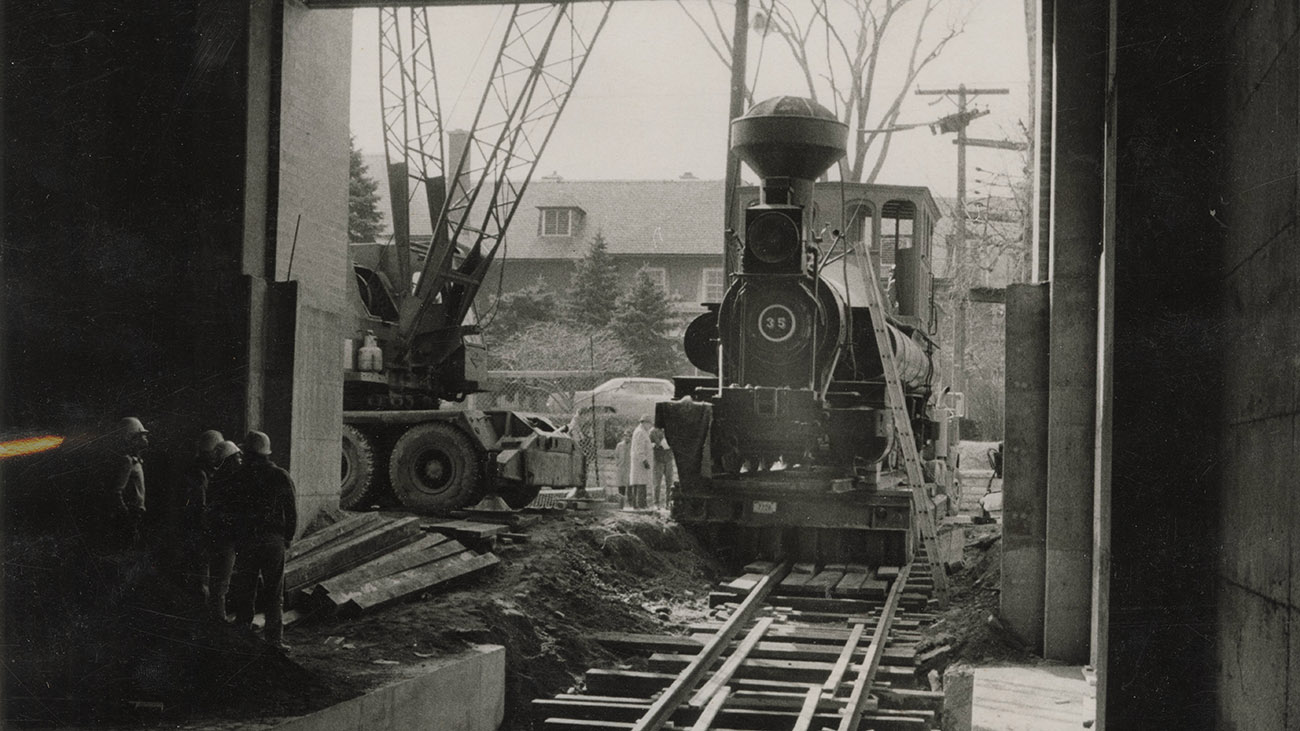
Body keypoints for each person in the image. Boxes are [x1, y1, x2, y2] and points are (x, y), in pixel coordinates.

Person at [226, 431, 297, 649]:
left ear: (247, 452)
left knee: (246, 589)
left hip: (247, 540)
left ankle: (242, 635)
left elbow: (232, 511)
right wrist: (288, 538)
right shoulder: (280, 476)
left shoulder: (238, 476)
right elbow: (291, 512)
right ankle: (274, 640)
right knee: (274, 592)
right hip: (273, 540)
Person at [177, 429, 224, 601]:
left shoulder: (199, 469)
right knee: (201, 573)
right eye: (216, 452)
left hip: (196, 528)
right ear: (210, 452)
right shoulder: (200, 473)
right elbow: (201, 505)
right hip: (199, 530)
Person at [204, 440, 244, 622]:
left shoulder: (218, 481)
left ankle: (218, 617)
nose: (240, 459)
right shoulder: (226, 484)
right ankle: (218, 620)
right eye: (236, 457)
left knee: (220, 581)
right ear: (228, 460)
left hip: (222, 537)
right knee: (220, 581)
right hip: (224, 539)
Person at [106, 416, 149, 549]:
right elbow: (116, 492)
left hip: (134, 515)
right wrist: (126, 517)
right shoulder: (127, 461)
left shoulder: (135, 460)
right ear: (131, 438)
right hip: (130, 515)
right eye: (141, 435)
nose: (145, 439)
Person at [628, 415, 654, 510]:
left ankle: (637, 504)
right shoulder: (640, 432)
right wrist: (644, 460)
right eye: (649, 424)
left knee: (638, 482)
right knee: (641, 482)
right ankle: (641, 504)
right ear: (644, 423)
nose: (650, 426)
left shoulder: (642, 431)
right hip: (640, 461)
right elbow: (639, 448)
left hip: (639, 461)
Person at [649, 425, 674, 508]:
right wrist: (657, 444)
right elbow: (649, 443)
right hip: (658, 459)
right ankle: (656, 503)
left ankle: (668, 503)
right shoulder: (653, 431)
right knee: (657, 483)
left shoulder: (671, 429)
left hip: (669, 458)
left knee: (669, 483)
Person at [613, 428, 632, 506]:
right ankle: (621, 504)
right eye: (625, 436)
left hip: (629, 467)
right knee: (621, 486)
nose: (627, 437)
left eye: (629, 436)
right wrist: (618, 463)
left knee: (630, 485)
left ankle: (631, 503)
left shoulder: (633, 445)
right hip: (621, 467)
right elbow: (616, 455)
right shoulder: (619, 445)